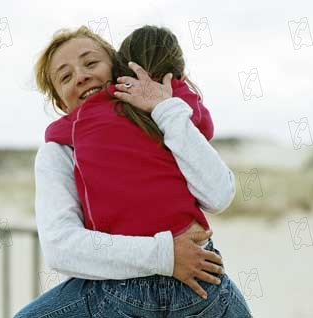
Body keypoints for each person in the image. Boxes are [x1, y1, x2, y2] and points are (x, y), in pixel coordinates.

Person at [15, 26, 252, 317]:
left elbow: (219, 195)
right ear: (60, 102)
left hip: (187, 279)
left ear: (117, 68)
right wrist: (166, 255)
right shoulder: (58, 152)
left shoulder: (162, 115)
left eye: (91, 63)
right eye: (65, 76)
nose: (81, 76)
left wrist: (165, 109)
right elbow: (62, 247)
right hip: (168, 281)